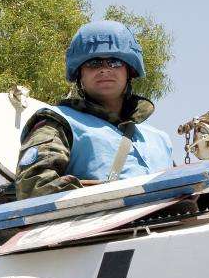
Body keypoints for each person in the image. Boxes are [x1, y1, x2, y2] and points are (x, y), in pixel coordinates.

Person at [14, 20, 173, 200]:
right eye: (94, 63)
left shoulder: (160, 140)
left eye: (114, 62)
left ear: (129, 71)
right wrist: (109, 194)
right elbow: (34, 187)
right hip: (97, 226)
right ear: (79, 74)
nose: (104, 70)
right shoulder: (57, 122)